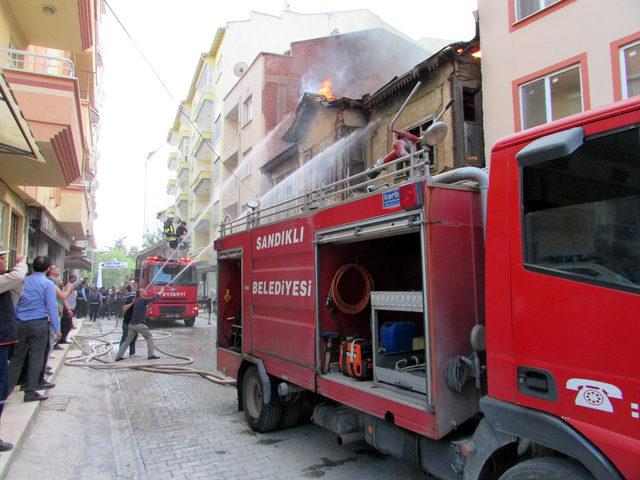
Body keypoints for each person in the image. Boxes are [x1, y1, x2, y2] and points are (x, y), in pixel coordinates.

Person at [9, 256, 59, 402]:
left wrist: (17, 320)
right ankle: (30, 391)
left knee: (17, 358)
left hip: (20, 323)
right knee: (36, 358)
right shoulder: (48, 284)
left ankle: (5, 391)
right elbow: (52, 308)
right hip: (38, 324)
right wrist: (57, 329)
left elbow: (15, 303)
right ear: (48, 268)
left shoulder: (23, 281)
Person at [0, 251, 27, 450]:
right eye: (1, 258)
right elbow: (18, 277)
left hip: (5, 342)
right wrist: (21, 263)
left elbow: (18, 286)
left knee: (3, 388)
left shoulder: (4, 286)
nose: (3, 261)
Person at [115, 287, 166, 361]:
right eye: (143, 291)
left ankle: (118, 357)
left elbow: (147, 303)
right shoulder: (142, 299)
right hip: (139, 324)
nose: (145, 291)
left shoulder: (138, 300)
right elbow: (154, 297)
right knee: (149, 337)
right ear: (141, 294)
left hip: (132, 325)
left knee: (127, 341)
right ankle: (151, 355)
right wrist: (162, 290)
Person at [118, 285, 140, 358]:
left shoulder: (133, 297)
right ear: (131, 288)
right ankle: (121, 353)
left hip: (133, 321)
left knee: (133, 336)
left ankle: (132, 352)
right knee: (125, 337)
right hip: (128, 321)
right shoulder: (130, 297)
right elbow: (124, 308)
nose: (134, 286)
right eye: (133, 286)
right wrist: (132, 302)